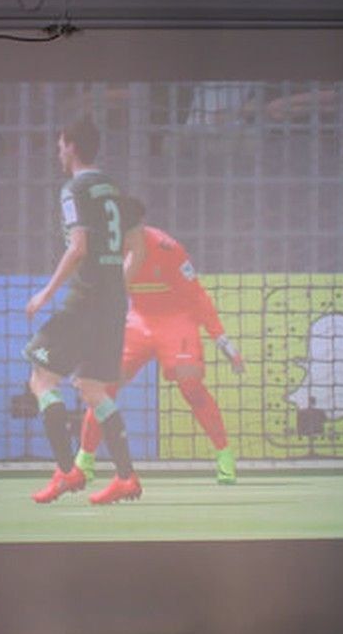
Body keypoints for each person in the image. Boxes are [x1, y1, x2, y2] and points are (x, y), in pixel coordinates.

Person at [74, 197, 245, 485]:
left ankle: (224, 454)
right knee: (103, 386)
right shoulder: (106, 249)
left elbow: (197, 296)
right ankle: (84, 460)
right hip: (138, 321)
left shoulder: (168, 248)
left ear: (138, 226)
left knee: (191, 386)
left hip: (177, 322)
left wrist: (222, 340)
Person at [24, 118, 143, 505]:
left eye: (61, 145)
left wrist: (46, 293)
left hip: (86, 297)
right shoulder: (113, 187)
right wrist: (116, 286)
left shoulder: (74, 188)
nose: (58, 152)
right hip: (112, 301)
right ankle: (125, 477)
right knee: (92, 388)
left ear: (72, 146)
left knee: (41, 379)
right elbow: (134, 247)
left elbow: (78, 247)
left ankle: (67, 472)